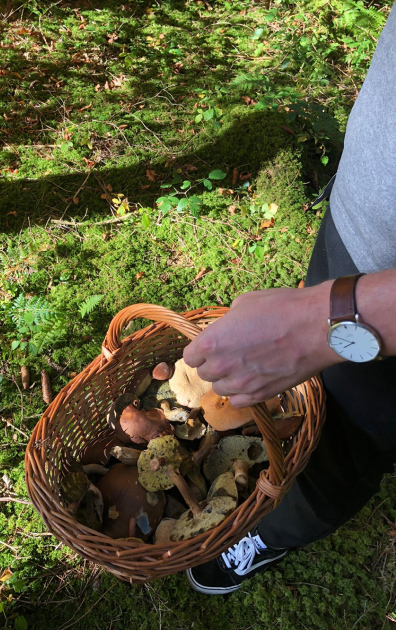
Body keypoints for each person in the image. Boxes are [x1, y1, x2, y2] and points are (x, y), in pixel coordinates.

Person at [183, 5, 396, 595]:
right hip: (359, 216)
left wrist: (323, 321)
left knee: (344, 447)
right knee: (316, 405)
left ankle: (273, 533)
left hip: (374, 313)